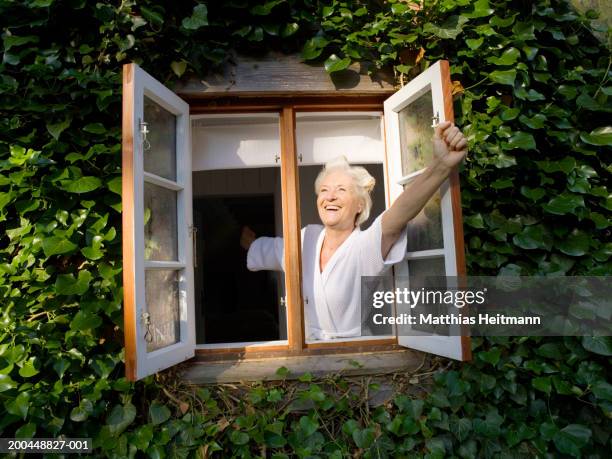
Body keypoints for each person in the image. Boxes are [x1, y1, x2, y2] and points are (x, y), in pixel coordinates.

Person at [240, 121, 468, 340]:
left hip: (354, 351)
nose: (330, 196)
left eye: (341, 190)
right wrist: (247, 240)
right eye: (324, 190)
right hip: (308, 350)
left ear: (359, 204)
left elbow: (401, 211)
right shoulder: (305, 238)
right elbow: (268, 248)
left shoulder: (364, 246)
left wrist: (441, 166)